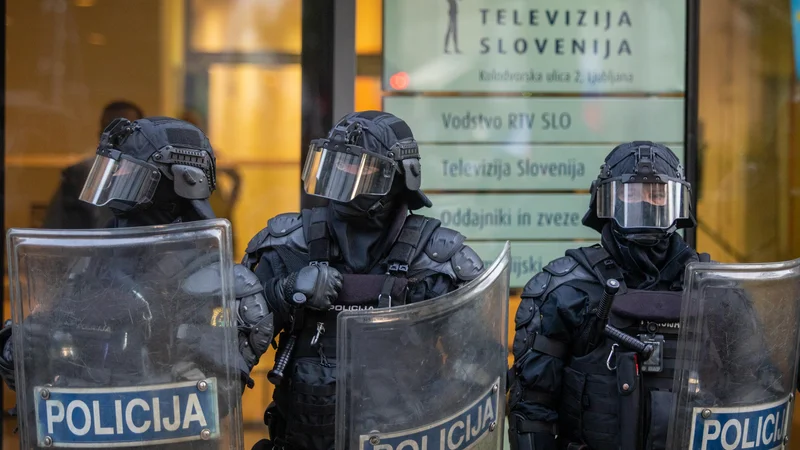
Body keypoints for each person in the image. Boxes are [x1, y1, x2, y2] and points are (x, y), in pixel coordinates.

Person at [242, 110, 485, 450]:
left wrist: (424, 416)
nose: (344, 175)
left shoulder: (437, 260)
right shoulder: (288, 245)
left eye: (360, 167)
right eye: (336, 163)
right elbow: (225, 341)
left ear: (400, 176)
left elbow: (477, 369)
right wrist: (284, 292)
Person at [0, 116, 273, 411]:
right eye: (113, 170)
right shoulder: (94, 260)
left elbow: (214, 400)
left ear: (178, 182)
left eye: (127, 172)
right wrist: (26, 351)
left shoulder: (222, 283)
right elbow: (55, 344)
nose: (115, 180)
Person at [506, 141, 712, 450]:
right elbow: (532, 407)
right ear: (607, 200)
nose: (645, 204)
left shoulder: (714, 290)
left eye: (657, 194)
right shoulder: (566, 290)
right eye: (630, 193)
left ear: (677, 204)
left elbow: (753, 392)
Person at [42, 100, 144, 229]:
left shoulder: (157, 177)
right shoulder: (80, 175)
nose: (117, 136)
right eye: (109, 129)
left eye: (125, 130)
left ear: (141, 136)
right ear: (100, 135)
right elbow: (56, 229)